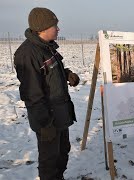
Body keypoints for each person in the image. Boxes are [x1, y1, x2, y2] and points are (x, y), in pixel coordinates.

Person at [14, 7, 80, 180]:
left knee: (62, 152)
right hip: (47, 118)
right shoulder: (27, 54)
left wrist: (67, 74)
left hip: (60, 113)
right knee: (49, 161)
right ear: (42, 28)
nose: (58, 29)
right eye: (55, 25)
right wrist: (45, 124)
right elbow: (32, 94)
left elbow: (51, 72)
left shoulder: (47, 48)